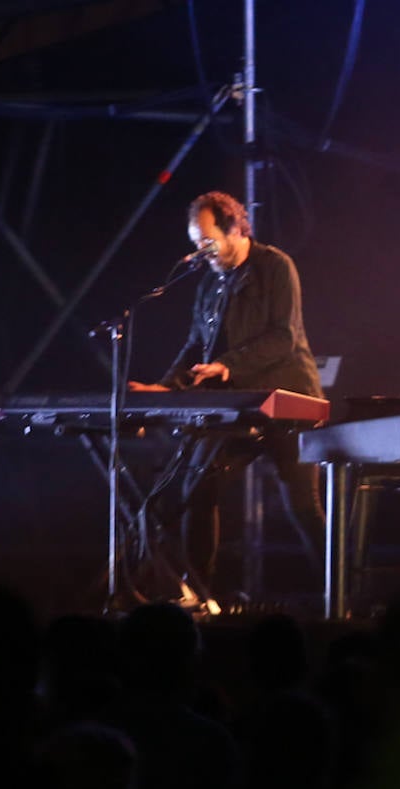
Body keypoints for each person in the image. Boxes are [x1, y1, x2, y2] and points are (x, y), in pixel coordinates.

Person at [130, 191, 325, 602]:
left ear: (235, 229)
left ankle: (341, 593)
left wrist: (227, 365)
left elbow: (283, 338)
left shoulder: (275, 267)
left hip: (289, 401)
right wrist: (165, 389)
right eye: (197, 243)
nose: (203, 252)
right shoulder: (209, 284)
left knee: (301, 505)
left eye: (208, 241)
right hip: (240, 407)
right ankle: (199, 596)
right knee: (198, 487)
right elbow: (194, 347)